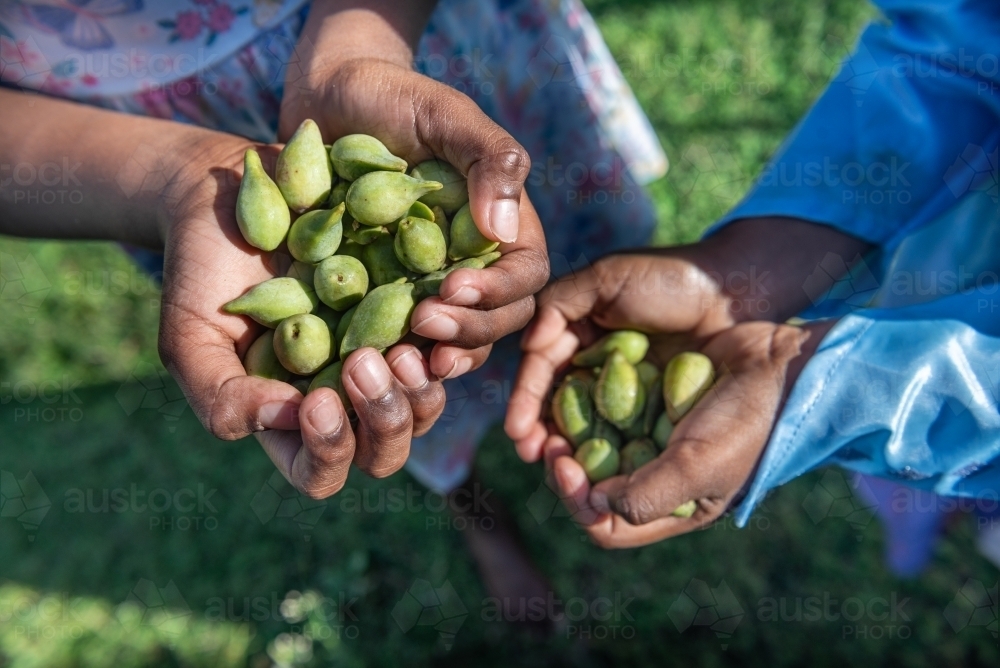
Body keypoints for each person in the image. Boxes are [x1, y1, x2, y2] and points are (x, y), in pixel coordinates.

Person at [0, 0, 667, 600]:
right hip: (126, 140)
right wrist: (179, 182)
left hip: (401, 37)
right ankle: (475, 509)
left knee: (558, 283)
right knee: (399, 395)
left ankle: (606, 382)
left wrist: (356, 51)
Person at [506, 0, 1000, 567]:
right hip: (959, 243)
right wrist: (741, 278)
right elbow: (956, 47)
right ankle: (923, 509)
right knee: (915, 475)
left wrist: (815, 393)